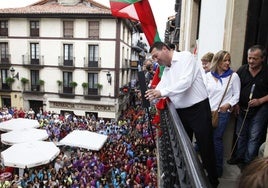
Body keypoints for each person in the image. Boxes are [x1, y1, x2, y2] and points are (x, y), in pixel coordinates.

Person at [145, 42, 219, 187]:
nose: (155, 60)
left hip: (198, 110)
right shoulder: (166, 70)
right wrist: (151, 93)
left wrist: (161, 92)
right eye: (153, 58)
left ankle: (213, 181)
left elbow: (185, 82)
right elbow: (161, 87)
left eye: (156, 56)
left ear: (165, 49)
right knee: (184, 147)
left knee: (206, 147)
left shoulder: (186, 57)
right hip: (181, 112)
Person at [227, 45, 268, 166]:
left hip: (261, 109)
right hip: (243, 107)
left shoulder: (267, 71)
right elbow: (234, 89)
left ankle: (248, 161)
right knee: (241, 133)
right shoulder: (242, 70)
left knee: (254, 136)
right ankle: (239, 157)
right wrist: (236, 104)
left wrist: (260, 101)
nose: (251, 61)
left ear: (262, 59)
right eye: (249, 58)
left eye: (254, 58)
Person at [204, 50, 241, 177]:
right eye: (224, 60)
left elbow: (236, 95)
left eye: (229, 60)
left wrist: (229, 104)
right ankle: (207, 164)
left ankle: (218, 169)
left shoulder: (233, 76)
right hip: (207, 112)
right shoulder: (208, 75)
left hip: (222, 113)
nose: (227, 63)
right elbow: (203, 94)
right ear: (218, 61)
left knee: (216, 139)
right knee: (207, 139)